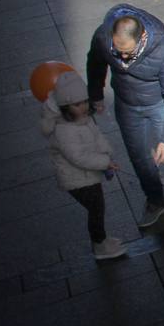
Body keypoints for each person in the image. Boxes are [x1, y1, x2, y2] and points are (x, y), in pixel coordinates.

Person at [85, 5, 164, 236]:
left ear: (143, 37)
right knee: (139, 157)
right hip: (127, 105)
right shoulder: (102, 37)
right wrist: (96, 95)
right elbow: (95, 62)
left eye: (128, 52)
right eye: (117, 51)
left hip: (158, 105)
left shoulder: (163, 48)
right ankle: (156, 200)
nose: (123, 58)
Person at [39, 68, 127, 260]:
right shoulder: (64, 130)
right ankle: (99, 245)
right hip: (77, 179)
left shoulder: (82, 118)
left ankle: (102, 239)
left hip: (88, 175)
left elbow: (96, 136)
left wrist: (106, 154)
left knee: (98, 207)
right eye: (77, 104)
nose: (84, 107)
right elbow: (78, 157)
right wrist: (104, 162)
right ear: (65, 106)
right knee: (96, 209)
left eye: (85, 102)